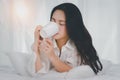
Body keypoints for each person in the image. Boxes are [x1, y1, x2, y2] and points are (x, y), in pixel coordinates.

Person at [29, 3, 103, 75]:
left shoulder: (78, 45)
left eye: (61, 23)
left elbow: (73, 72)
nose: (55, 26)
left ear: (72, 26)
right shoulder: (47, 41)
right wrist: (36, 45)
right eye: (53, 21)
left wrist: (52, 56)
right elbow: (39, 72)